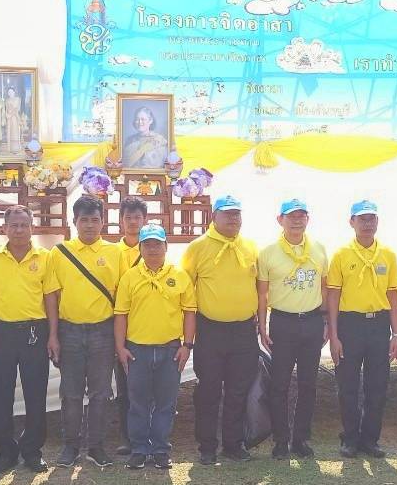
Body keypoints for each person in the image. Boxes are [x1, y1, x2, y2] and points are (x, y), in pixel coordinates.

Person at [182, 194, 260, 464]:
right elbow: (186, 290)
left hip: (244, 331)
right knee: (209, 390)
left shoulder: (250, 246)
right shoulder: (197, 247)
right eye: (227, 213)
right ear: (213, 216)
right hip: (210, 330)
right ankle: (206, 446)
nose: (233, 218)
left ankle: (233, 444)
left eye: (237, 213)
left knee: (239, 389)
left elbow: (259, 286)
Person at [47, 196, 123, 469]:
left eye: (94, 220)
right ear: (74, 222)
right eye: (84, 220)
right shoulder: (59, 253)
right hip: (69, 331)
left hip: (104, 331)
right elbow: (52, 295)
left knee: (101, 392)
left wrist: (120, 338)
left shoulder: (115, 253)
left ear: (103, 222)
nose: (89, 225)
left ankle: (96, 446)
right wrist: (53, 335)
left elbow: (123, 298)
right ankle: (70, 446)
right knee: (71, 392)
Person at [114, 224, 197, 469]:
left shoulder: (179, 275)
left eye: (157, 244)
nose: (152, 249)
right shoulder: (130, 277)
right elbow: (121, 315)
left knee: (166, 403)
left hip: (169, 350)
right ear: (140, 248)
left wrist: (187, 345)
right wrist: (120, 348)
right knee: (137, 403)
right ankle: (139, 449)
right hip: (137, 350)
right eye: (147, 245)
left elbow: (189, 312)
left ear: (166, 247)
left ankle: (160, 449)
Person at [0, 205, 51, 474]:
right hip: (2, 331)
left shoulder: (45, 257)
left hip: (35, 331)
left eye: (24, 225)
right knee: (2, 393)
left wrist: (53, 335)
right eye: (14, 225)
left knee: (35, 393)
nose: (19, 230)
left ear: (33, 227)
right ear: (4, 228)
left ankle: (32, 451)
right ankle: (4, 451)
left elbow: (50, 298)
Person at [327, 200, 397, 459]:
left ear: (378, 222)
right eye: (362, 219)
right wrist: (334, 335)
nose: (367, 224)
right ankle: (350, 438)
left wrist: (396, 334)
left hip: (379, 325)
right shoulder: (341, 255)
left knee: (377, 385)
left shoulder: (388, 255)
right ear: (352, 222)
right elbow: (333, 296)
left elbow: (393, 296)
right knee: (347, 384)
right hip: (349, 325)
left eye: (371, 219)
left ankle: (371, 439)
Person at [257, 198, 328, 461]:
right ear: (280, 220)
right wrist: (262, 326)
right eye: (291, 216)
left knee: (309, 384)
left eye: (301, 215)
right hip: (282, 322)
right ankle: (280, 439)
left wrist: (326, 322)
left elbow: (324, 287)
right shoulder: (268, 252)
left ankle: (300, 439)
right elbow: (262, 294)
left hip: (312, 321)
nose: (297, 220)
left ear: (308, 219)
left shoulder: (319, 249)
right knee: (280, 384)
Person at [113, 196, 148, 455]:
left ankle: (151, 435)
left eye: (137, 217)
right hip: (121, 324)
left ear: (145, 220)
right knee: (125, 385)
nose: (133, 222)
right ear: (120, 221)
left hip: (147, 324)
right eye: (128, 218)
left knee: (149, 387)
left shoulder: (153, 247)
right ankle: (128, 437)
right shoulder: (112, 252)